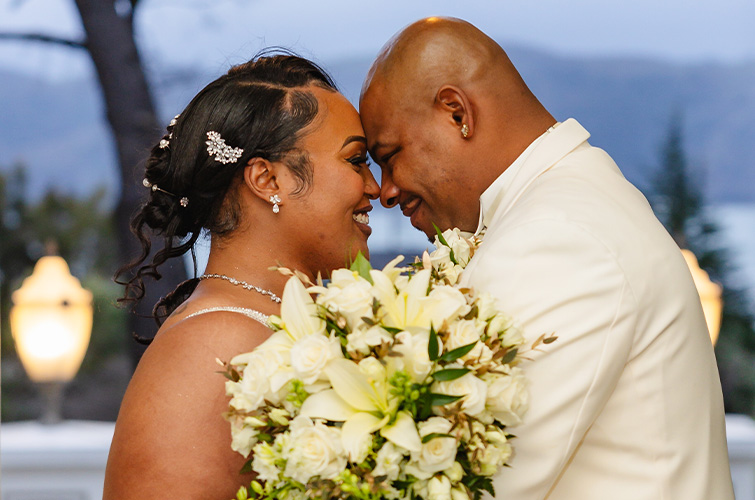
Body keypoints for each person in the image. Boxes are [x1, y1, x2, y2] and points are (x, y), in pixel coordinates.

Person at [359, 17, 734, 500]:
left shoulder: (557, 234)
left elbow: (481, 480)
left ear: (457, 113)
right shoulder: (573, 199)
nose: (385, 191)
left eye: (389, 155)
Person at [104, 52, 379, 499]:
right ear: (267, 179)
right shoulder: (212, 349)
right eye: (356, 160)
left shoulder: (276, 325)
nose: (376, 188)